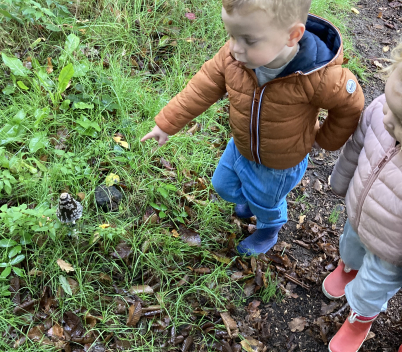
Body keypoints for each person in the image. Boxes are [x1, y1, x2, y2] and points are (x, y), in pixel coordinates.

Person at [141, 0, 364, 255]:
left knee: (267, 203)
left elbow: (350, 104)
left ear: (292, 36)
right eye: (231, 35)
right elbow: (202, 87)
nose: (235, 48)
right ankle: (252, 198)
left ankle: (270, 227)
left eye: (249, 40)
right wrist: (167, 123)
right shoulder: (233, 57)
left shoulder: (317, 76)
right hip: (241, 145)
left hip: (280, 163)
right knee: (223, 185)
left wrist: (325, 139)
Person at [323, 43, 402, 352]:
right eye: (389, 107)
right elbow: (356, 148)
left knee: (372, 289)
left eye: (399, 119)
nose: (386, 119)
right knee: (350, 246)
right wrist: (341, 180)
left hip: (392, 252)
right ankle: (349, 268)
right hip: (360, 214)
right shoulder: (382, 110)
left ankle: (359, 321)